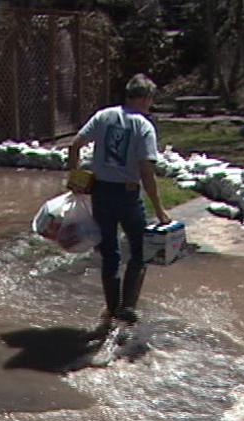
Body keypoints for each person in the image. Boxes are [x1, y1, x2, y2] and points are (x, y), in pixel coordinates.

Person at [67, 73, 171, 336]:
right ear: (146, 98)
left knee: (110, 253)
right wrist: (159, 209)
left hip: (101, 193)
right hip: (127, 196)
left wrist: (76, 178)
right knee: (140, 251)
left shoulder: (104, 116)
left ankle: (112, 309)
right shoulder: (143, 126)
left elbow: (74, 145)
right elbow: (147, 171)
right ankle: (128, 308)